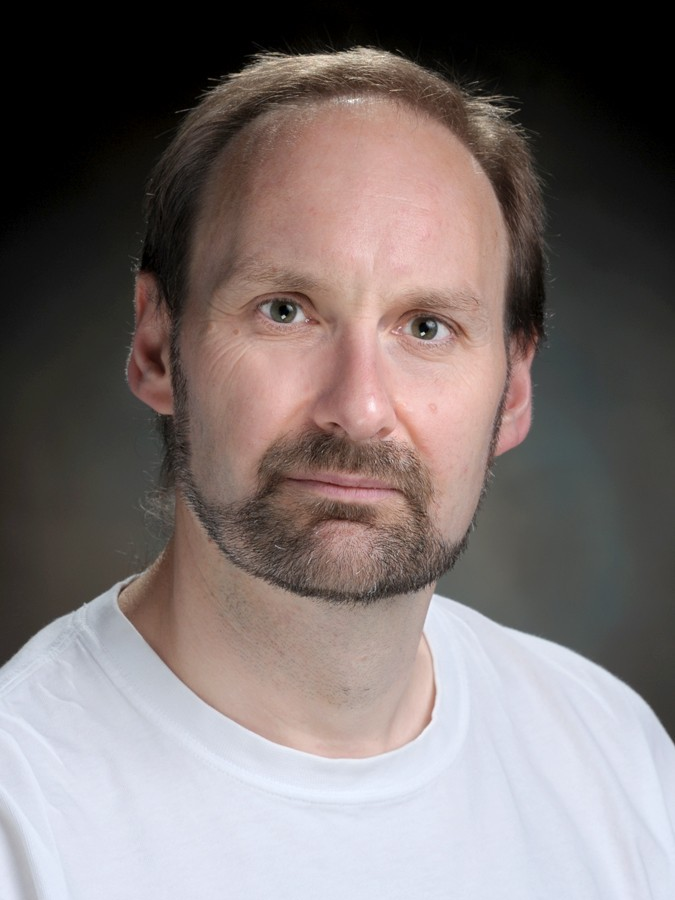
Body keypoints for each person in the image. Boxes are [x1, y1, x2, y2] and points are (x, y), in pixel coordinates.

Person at [1, 47, 673, 899]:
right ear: (158, 346)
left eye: (425, 327)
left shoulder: (614, 756)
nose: (357, 409)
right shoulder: (23, 813)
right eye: (285, 310)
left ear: (512, 392)